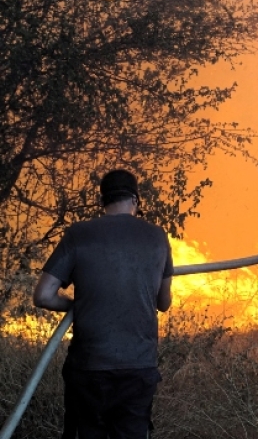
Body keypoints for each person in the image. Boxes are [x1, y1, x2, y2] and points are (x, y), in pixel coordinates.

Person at [33, 169, 173, 439]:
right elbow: (163, 303)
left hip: (89, 368)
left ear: (102, 201)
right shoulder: (157, 237)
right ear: (136, 200)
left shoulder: (79, 234)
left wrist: (82, 304)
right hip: (138, 368)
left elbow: (43, 296)